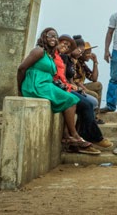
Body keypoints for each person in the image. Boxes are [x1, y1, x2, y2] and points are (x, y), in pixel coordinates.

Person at [16, 27, 100, 155]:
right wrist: (20, 90)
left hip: (45, 84)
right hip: (36, 84)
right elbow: (21, 69)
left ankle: (70, 135)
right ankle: (74, 136)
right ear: (44, 37)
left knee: (72, 99)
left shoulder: (49, 56)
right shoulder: (38, 51)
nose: (53, 39)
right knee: (71, 99)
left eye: (55, 36)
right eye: (50, 36)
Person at [55, 35, 112, 150]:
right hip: (64, 87)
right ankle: (87, 136)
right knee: (88, 102)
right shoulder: (65, 58)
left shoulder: (75, 61)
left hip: (70, 87)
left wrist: (95, 62)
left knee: (91, 96)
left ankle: (86, 131)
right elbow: (66, 79)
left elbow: (93, 78)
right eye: (80, 49)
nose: (82, 52)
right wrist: (78, 87)